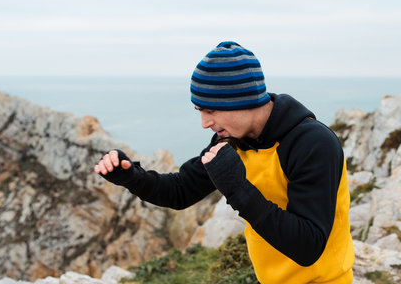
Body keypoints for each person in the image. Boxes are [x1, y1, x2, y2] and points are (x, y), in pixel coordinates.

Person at [94, 41, 354, 283]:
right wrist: (130, 176)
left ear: (243, 100)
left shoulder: (312, 144)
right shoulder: (232, 140)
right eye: (200, 112)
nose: (205, 123)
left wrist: (237, 190)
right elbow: (180, 191)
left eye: (211, 111)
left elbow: (308, 246)